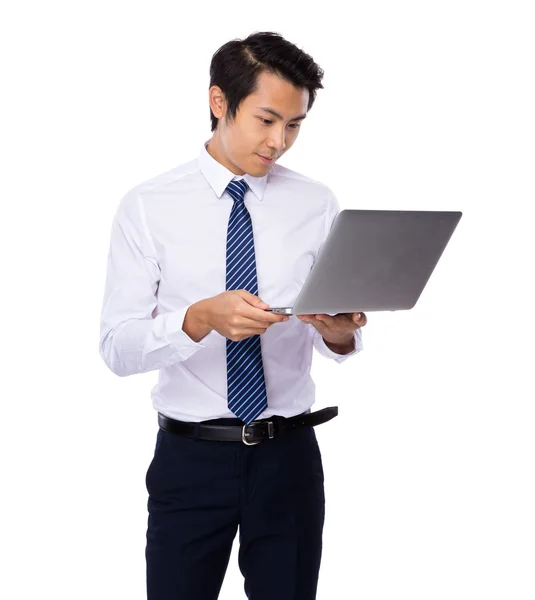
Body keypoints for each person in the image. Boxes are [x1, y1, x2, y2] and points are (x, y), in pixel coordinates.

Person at [99, 31, 367, 600]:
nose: (279, 143)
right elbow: (117, 348)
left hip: (290, 459)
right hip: (191, 461)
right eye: (266, 120)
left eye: (294, 126)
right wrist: (196, 319)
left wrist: (340, 335)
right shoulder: (148, 206)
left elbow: (331, 332)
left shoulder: (315, 204)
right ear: (220, 102)